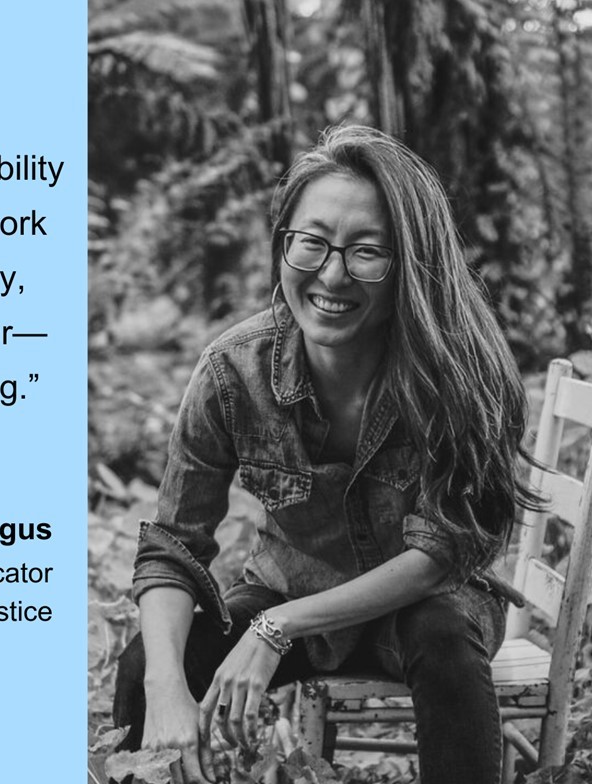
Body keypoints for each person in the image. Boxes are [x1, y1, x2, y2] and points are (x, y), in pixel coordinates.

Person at [112, 125, 541, 784]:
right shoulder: (233, 373)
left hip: (430, 605)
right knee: (149, 661)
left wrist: (277, 627)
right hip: (291, 586)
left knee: (445, 641)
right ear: (283, 242)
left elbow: (440, 555)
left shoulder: (462, 372)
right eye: (311, 242)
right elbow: (173, 544)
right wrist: (166, 688)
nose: (331, 274)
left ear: (413, 262)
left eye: (368, 252)